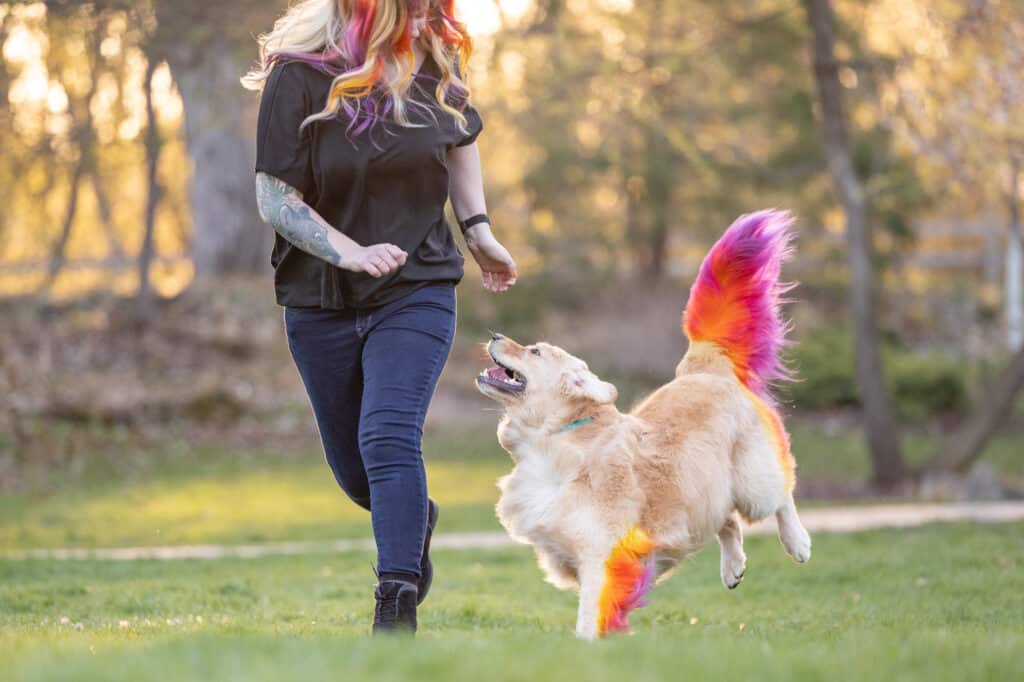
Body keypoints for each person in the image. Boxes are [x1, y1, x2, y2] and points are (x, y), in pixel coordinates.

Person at [241, 0, 517, 634]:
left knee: (389, 436)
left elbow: (460, 139)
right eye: (412, 12)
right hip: (318, 299)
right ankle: (415, 514)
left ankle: (394, 609)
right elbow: (273, 197)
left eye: (432, 11)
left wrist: (478, 232)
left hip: (416, 285)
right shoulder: (300, 74)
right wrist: (349, 251)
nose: (425, 24)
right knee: (357, 474)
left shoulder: (433, 63)